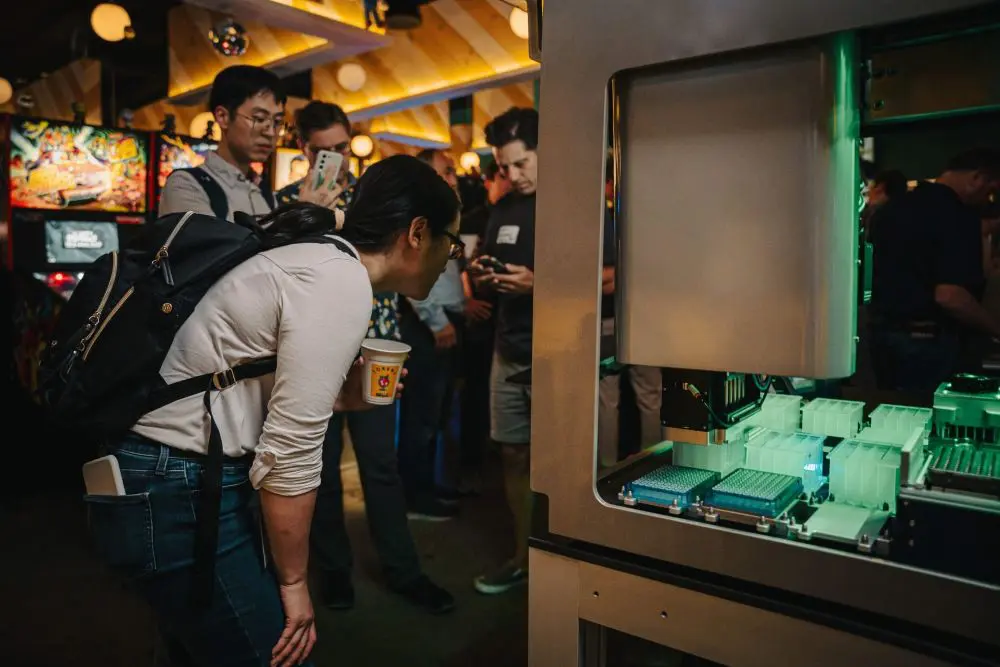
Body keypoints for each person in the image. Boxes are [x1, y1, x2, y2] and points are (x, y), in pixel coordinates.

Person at [84, 155, 462, 667]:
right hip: (175, 485)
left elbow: (250, 384)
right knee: (275, 654)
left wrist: (345, 396)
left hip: (161, 475)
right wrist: (296, 582)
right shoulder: (338, 282)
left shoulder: (323, 260)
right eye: (452, 241)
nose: (451, 257)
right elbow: (290, 459)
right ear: (418, 233)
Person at [276, 103, 454, 613]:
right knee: (323, 470)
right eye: (323, 149)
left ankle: (404, 571)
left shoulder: (375, 201)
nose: (336, 158)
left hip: (378, 347)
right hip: (320, 353)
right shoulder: (291, 203)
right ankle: (334, 573)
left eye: (342, 147)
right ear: (306, 149)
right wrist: (307, 213)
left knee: (382, 466)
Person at [468, 107, 538, 595]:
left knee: (564, 461)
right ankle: (523, 555)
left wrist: (540, 284)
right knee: (512, 454)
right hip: (506, 348)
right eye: (505, 167)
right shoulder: (504, 208)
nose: (511, 175)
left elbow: (619, 276)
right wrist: (484, 275)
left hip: (560, 356)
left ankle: (568, 559)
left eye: (521, 163)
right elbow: (493, 260)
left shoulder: (579, 202)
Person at [870, 148, 1000, 392]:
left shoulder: (891, 209)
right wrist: (995, 329)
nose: (988, 200)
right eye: (991, 191)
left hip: (882, 336)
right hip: (928, 343)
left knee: (894, 416)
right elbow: (950, 296)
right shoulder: (958, 216)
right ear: (977, 178)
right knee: (930, 419)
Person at [159, 66, 340, 222]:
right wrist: (302, 217)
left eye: (277, 122)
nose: (270, 132)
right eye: (258, 119)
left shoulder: (264, 192)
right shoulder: (187, 185)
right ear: (222, 117)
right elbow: (211, 257)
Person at [398, 149, 471, 519]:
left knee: (438, 413)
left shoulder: (443, 215)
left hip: (447, 320)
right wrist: (436, 320)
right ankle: (414, 497)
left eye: (453, 170)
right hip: (429, 325)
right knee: (421, 417)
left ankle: (429, 487)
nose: (454, 177)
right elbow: (411, 277)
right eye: (447, 171)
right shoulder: (418, 220)